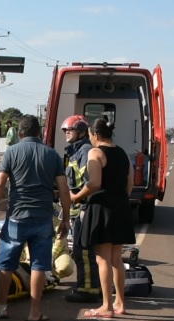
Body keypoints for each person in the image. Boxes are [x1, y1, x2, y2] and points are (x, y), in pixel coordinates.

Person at [0, 115, 71, 321]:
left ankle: (2, 307)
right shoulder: (52, 155)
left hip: (16, 218)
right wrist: (66, 218)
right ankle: (34, 312)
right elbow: (63, 189)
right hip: (43, 218)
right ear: (39, 133)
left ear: (20, 133)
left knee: (5, 264)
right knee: (39, 265)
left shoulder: (12, 152)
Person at [70, 118, 136, 318]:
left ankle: (106, 306)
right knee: (116, 259)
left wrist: (76, 196)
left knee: (102, 259)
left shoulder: (95, 152)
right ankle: (120, 303)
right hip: (121, 206)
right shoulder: (123, 153)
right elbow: (130, 183)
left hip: (102, 207)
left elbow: (94, 183)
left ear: (95, 135)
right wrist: (120, 199)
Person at [61, 114, 102, 304]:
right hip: (79, 208)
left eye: (70, 130)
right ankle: (87, 285)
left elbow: (90, 182)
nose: (67, 133)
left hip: (85, 206)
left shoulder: (85, 151)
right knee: (80, 250)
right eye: (65, 131)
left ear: (82, 132)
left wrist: (76, 197)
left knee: (83, 250)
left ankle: (88, 290)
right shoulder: (74, 152)